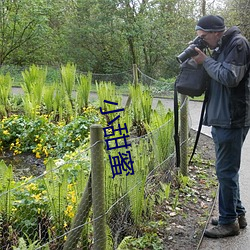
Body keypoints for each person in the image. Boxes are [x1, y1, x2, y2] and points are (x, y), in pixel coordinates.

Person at [192, 15, 250, 238]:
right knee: (227, 171)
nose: (203, 41)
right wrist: (202, 59)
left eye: (204, 37)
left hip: (232, 118)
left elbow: (229, 77)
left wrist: (205, 61)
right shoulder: (221, 46)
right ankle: (237, 214)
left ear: (216, 32)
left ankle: (228, 223)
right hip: (222, 117)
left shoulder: (238, 44)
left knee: (225, 171)